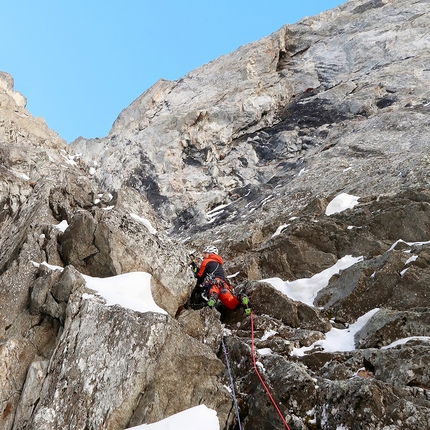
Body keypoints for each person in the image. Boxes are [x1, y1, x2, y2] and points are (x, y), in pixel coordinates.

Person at [190, 245, 251, 315]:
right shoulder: (218, 264)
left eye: (205, 253)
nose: (203, 255)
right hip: (223, 285)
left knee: (213, 292)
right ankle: (240, 297)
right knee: (231, 304)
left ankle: (213, 297)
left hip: (212, 283)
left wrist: (194, 269)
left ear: (210, 253)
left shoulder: (206, 261)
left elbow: (200, 277)